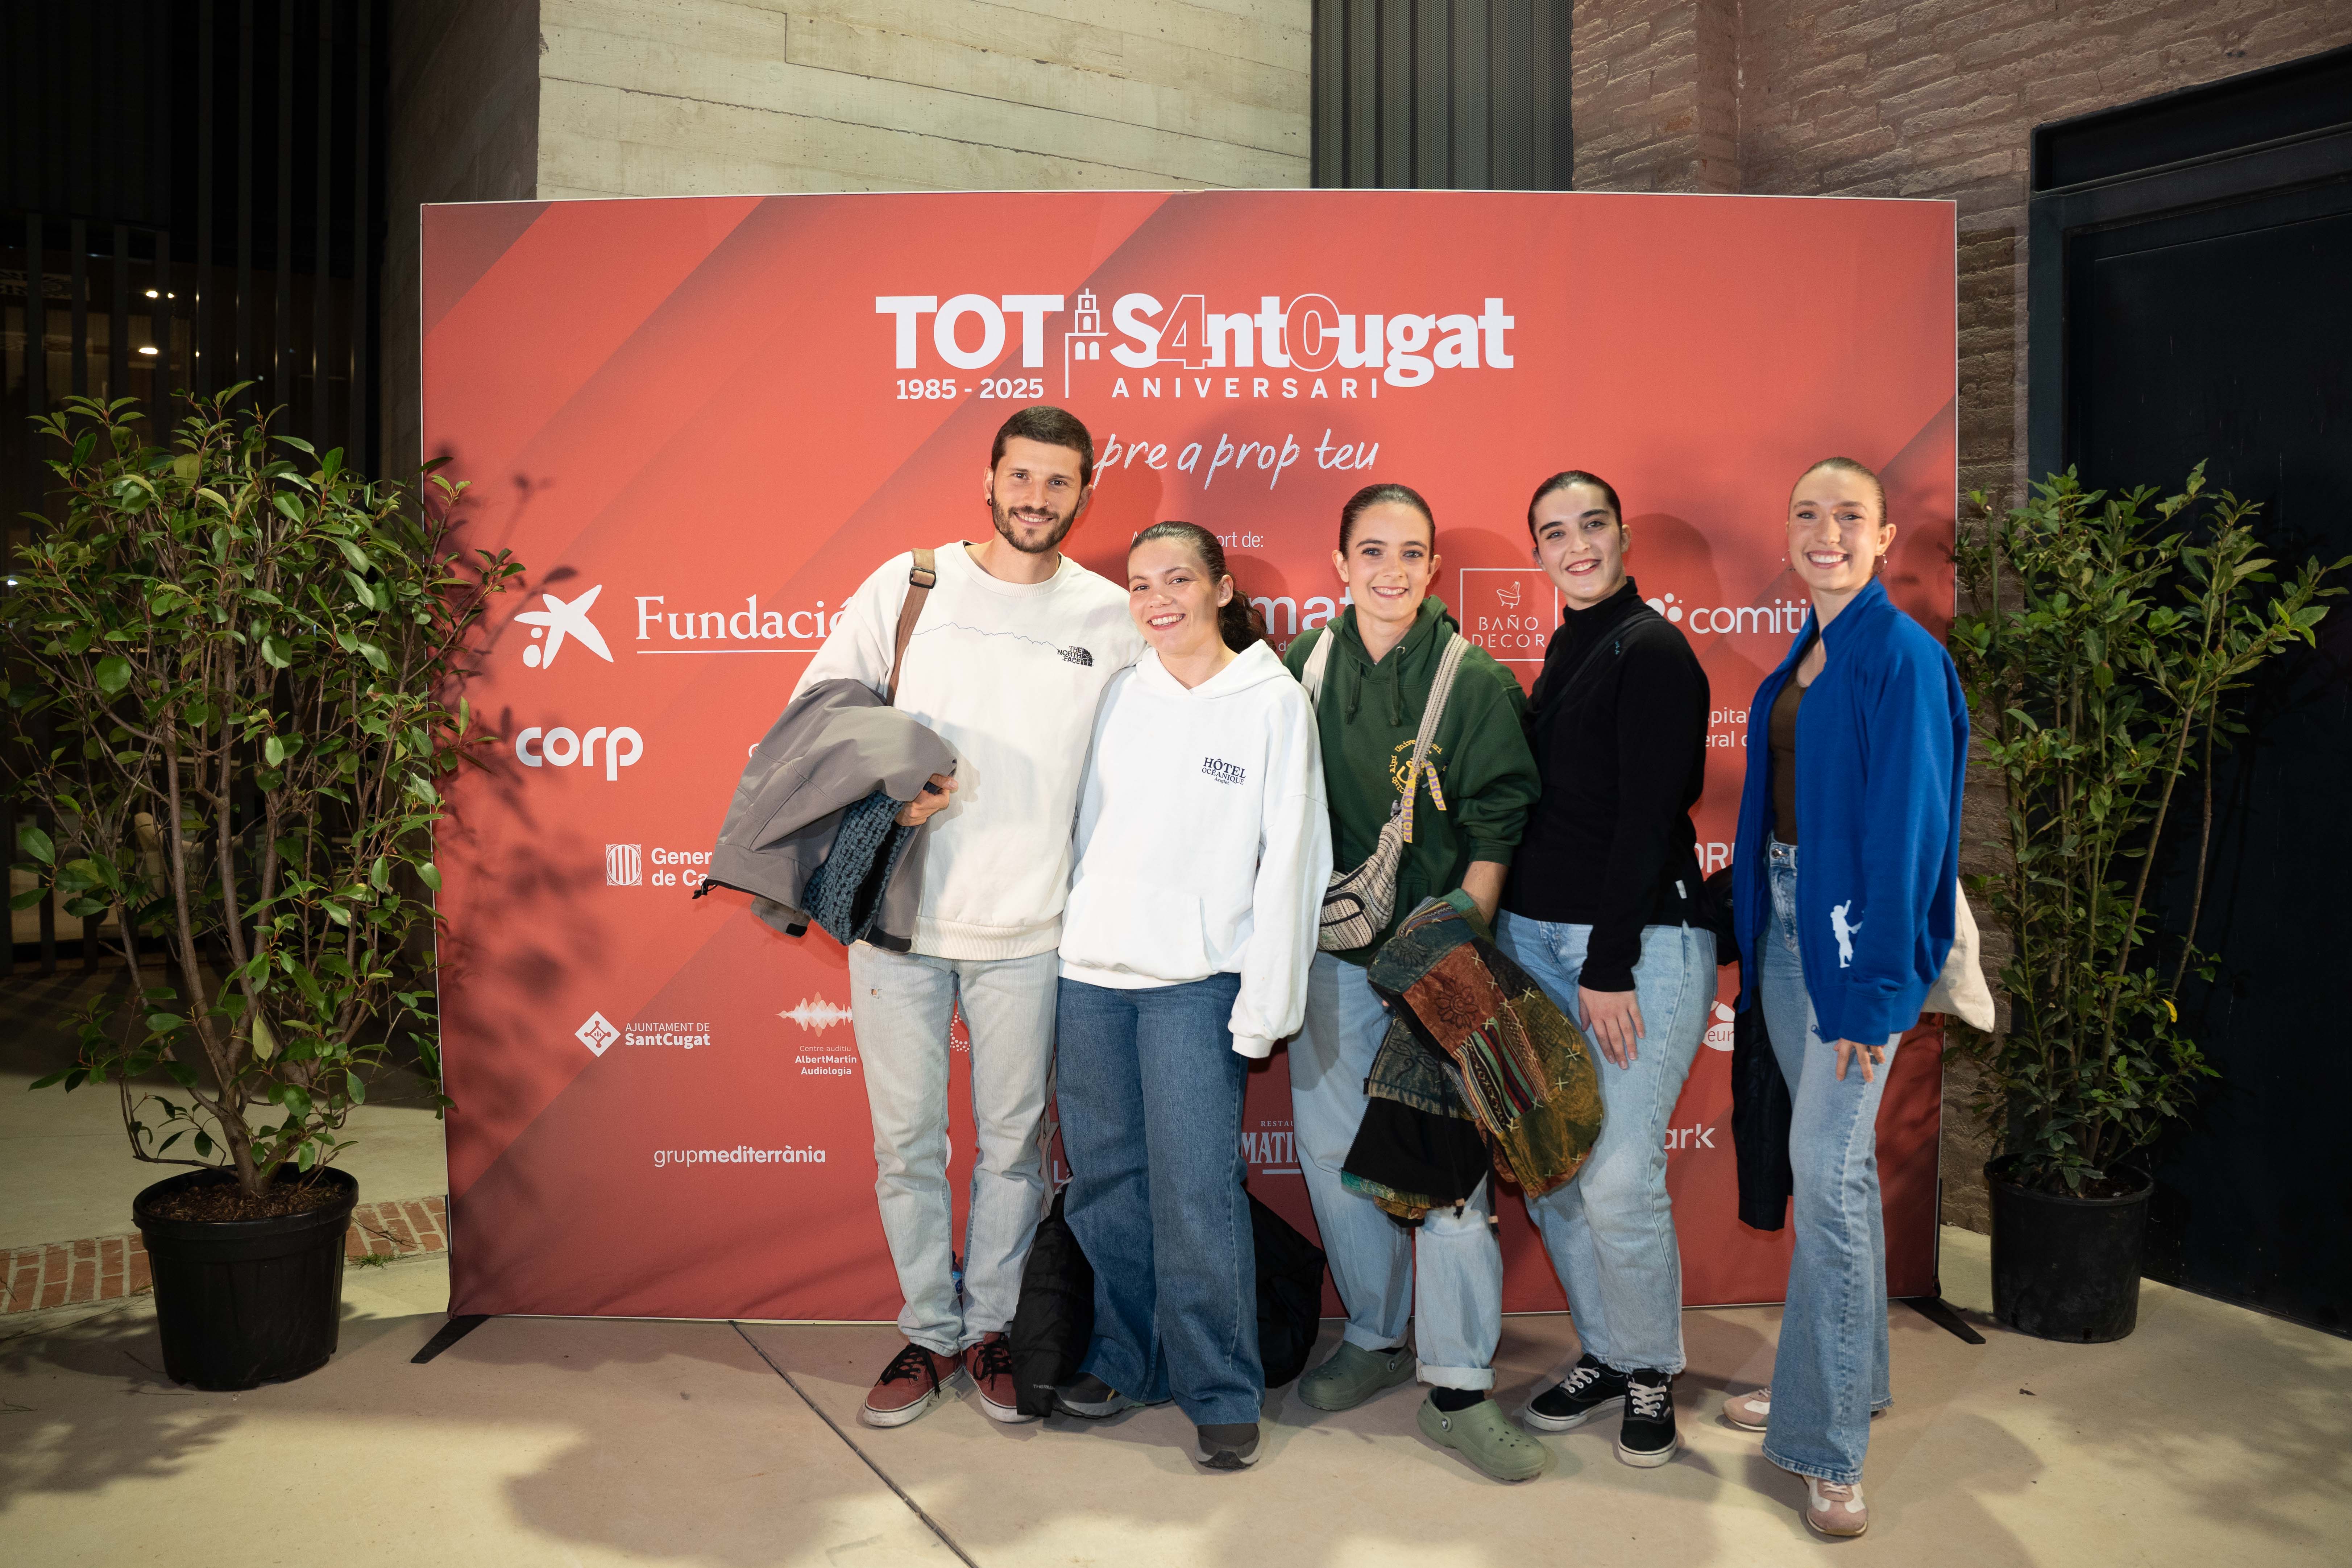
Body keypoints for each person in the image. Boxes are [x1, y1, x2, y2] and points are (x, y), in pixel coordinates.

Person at [794, 406, 1144, 1430]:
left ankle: (992, 1326)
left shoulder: (1112, 616)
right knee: (904, 1144)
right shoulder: (913, 584)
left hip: (1034, 934)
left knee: (1014, 1148)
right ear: (987, 480)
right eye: (1020, 477)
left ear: (1086, 493)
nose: (1036, 499)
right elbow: (817, 710)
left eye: (1058, 483)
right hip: (897, 926)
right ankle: (928, 1332)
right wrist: (894, 793)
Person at [1049, 522, 1331, 1472]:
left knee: (1197, 1193)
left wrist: (1262, 1008)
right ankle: (1129, 1360)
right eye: (1139, 584)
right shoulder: (1119, 693)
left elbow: (1292, 862)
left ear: (1218, 587)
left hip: (1195, 988)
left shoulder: (1270, 700)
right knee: (1106, 1187)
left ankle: (1219, 1387)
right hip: (1089, 980)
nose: (1156, 598)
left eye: (1177, 579)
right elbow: (1087, 835)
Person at [1283, 482, 1547, 1482]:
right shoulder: (1295, 666)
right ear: (1340, 563)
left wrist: (1457, 940)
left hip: (1436, 962)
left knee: (1450, 1181)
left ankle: (1458, 1382)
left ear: (1434, 568)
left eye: (1410, 553)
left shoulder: (1470, 678)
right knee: (1329, 1156)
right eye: (1371, 552)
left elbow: (1497, 822)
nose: (1390, 571)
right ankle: (1376, 1333)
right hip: (1321, 958)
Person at [1724, 456, 1967, 1537]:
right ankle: (1836, 1383)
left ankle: (1827, 1449)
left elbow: (1908, 840)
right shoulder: (1811, 648)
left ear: (1882, 540)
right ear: (1788, 534)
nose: (1825, 532)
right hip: (1785, 928)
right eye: (1806, 513)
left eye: (1848, 517)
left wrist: (1874, 1000)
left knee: (1821, 1181)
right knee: (1841, 1180)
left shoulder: (1901, 660)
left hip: (1849, 947)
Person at [1493, 471, 1714, 1469]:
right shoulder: (1569, 643)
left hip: (1630, 948)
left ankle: (1650, 1369)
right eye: (1553, 532)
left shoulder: (1655, 649)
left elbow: (1644, 821)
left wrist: (1613, 960)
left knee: (1618, 1176)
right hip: (1536, 942)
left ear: (1622, 534)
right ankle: (1608, 1351)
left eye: (1590, 525)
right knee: (1558, 1171)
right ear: (1535, 550)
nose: (1574, 545)